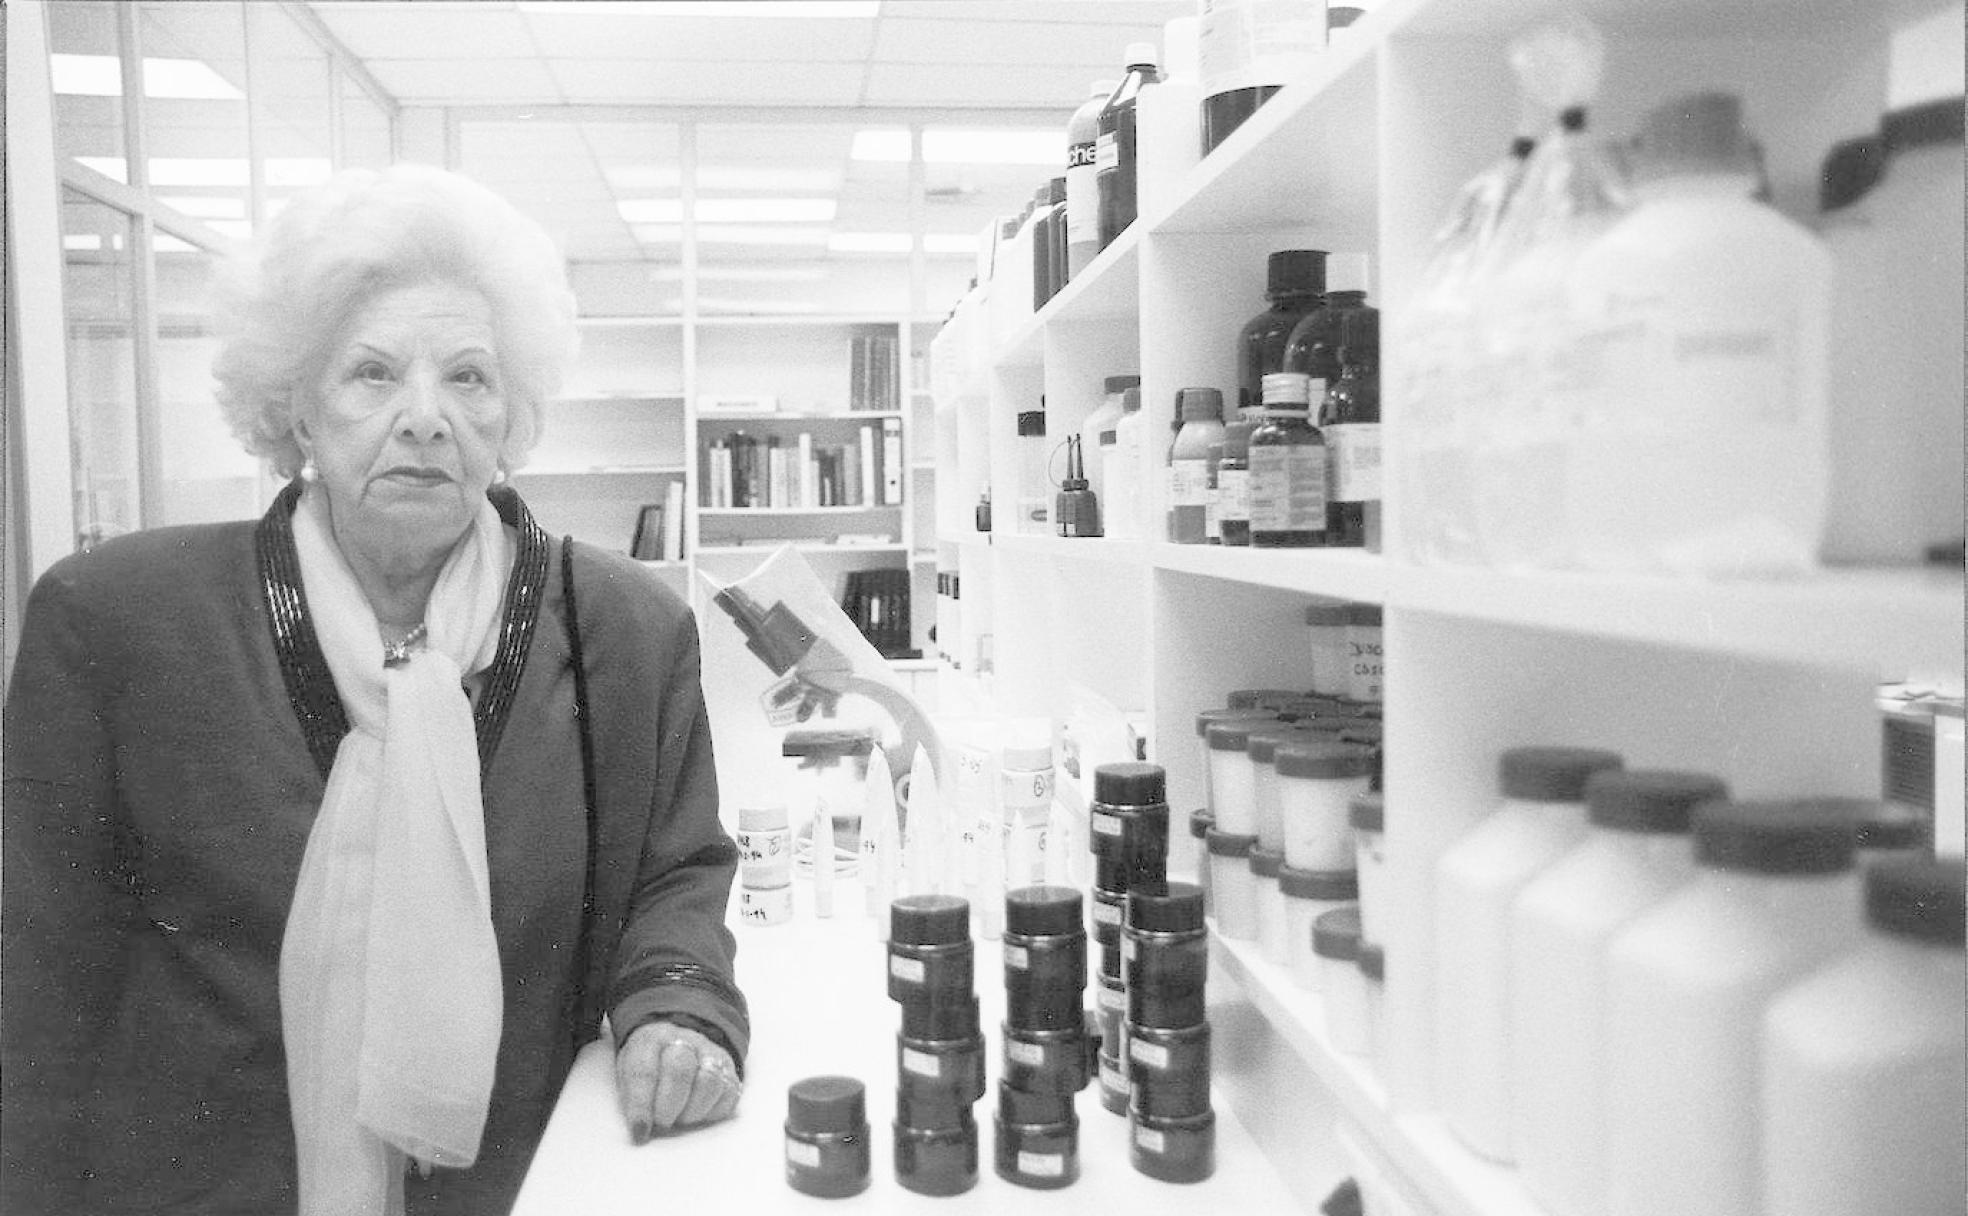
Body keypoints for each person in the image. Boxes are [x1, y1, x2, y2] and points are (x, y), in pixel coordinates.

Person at [1, 164, 749, 1215]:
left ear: (513, 417)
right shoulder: (119, 624)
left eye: (470, 378)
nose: (425, 419)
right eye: (372, 373)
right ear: (297, 410)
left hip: (518, 1180)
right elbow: (38, 983)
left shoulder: (628, 628)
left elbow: (678, 871)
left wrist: (677, 1006)